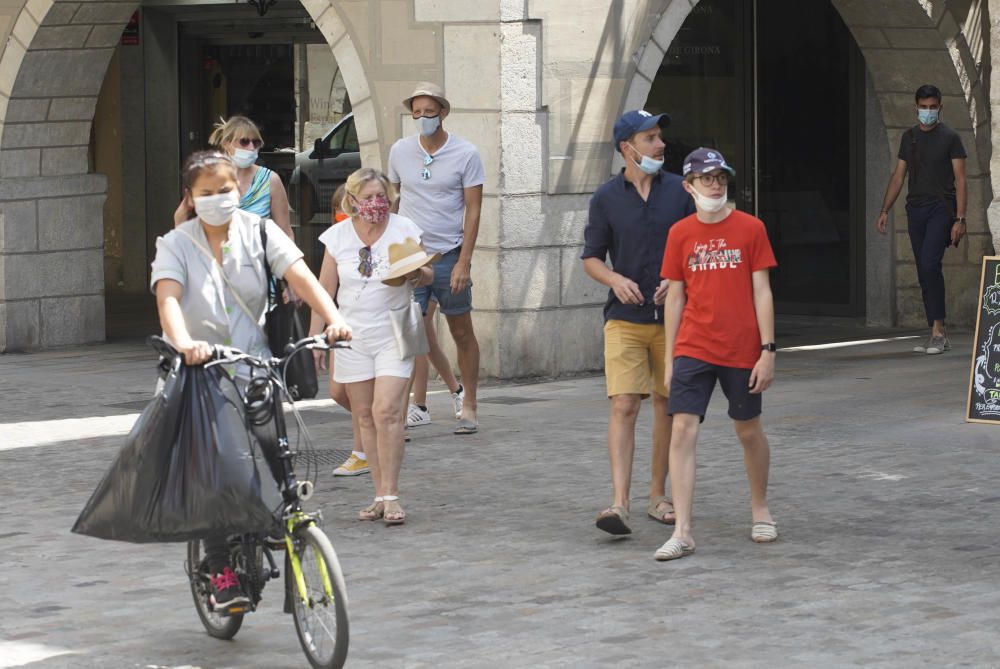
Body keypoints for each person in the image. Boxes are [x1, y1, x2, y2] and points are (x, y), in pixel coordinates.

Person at [150, 150, 351, 607]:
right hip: (198, 373)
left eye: (225, 190)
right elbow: (169, 300)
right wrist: (184, 343)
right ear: (190, 197)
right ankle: (218, 564)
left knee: (275, 450)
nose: (218, 198)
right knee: (220, 466)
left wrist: (334, 318)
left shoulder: (259, 233)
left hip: (253, 365)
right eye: (207, 193)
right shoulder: (176, 243)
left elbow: (302, 278)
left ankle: (280, 518)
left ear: (238, 190)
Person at [657, 147, 778, 562]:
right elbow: (675, 297)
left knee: (748, 429)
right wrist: (671, 358)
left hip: (742, 346)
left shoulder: (751, 228)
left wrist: (768, 350)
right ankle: (684, 530)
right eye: (707, 178)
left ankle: (760, 508)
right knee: (683, 428)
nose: (716, 184)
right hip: (694, 344)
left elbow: (762, 290)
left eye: (721, 177)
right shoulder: (679, 234)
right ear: (689, 186)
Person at [582, 109, 695, 536]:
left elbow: (698, 244)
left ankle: (657, 495)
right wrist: (614, 278)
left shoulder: (680, 193)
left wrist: (678, 278)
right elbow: (591, 257)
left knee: (668, 405)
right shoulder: (606, 197)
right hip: (624, 318)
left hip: (674, 318)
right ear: (627, 148)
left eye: (660, 136)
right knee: (624, 404)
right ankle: (619, 503)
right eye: (650, 138)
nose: (660, 145)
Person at [310, 168, 434, 525]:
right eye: (368, 198)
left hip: (395, 330)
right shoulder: (336, 238)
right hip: (352, 334)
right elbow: (323, 291)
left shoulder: (404, 228)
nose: (377, 204)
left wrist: (416, 274)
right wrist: (319, 337)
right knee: (364, 415)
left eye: (382, 196)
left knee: (387, 411)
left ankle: (393, 495)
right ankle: (379, 495)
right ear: (352, 201)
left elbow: (427, 273)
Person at [388, 82, 485, 434]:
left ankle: (469, 402)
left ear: (442, 112)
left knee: (461, 330)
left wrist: (465, 261)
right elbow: (394, 201)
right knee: (410, 333)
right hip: (411, 257)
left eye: (429, 111)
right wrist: (389, 249)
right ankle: (408, 408)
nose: (423, 118)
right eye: (417, 112)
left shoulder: (466, 153)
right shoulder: (400, 151)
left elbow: (473, 210)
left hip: (448, 254)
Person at [876, 84, 967, 355]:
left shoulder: (950, 137)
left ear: (940, 107)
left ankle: (938, 331)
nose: (927, 112)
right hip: (915, 209)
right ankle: (936, 332)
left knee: (929, 263)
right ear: (915, 107)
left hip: (941, 208)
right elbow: (898, 175)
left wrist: (960, 219)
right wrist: (884, 209)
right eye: (923, 107)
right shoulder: (910, 137)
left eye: (932, 107)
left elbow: (961, 179)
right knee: (923, 270)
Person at [174, 116, 294, 239]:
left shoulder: (270, 180)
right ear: (227, 144)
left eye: (256, 142)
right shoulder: (209, 178)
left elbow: (285, 231)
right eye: (244, 142)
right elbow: (181, 218)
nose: (251, 147)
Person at [323, 183, 370, 477]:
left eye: (347, 214)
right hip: (343, 323)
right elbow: (325, 287)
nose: (342, 221)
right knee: (338, 392)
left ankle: (361, 452)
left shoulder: (377, 240)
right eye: (337, 216)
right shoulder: (336, 242)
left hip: (371, 327)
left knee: (354, 392)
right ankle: (379, 423)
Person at [406, 301, 465, 427]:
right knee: (427, 338)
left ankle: (419, 405)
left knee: (418, 328)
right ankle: (457, 390)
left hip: (428, 282)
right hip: (409, 285)